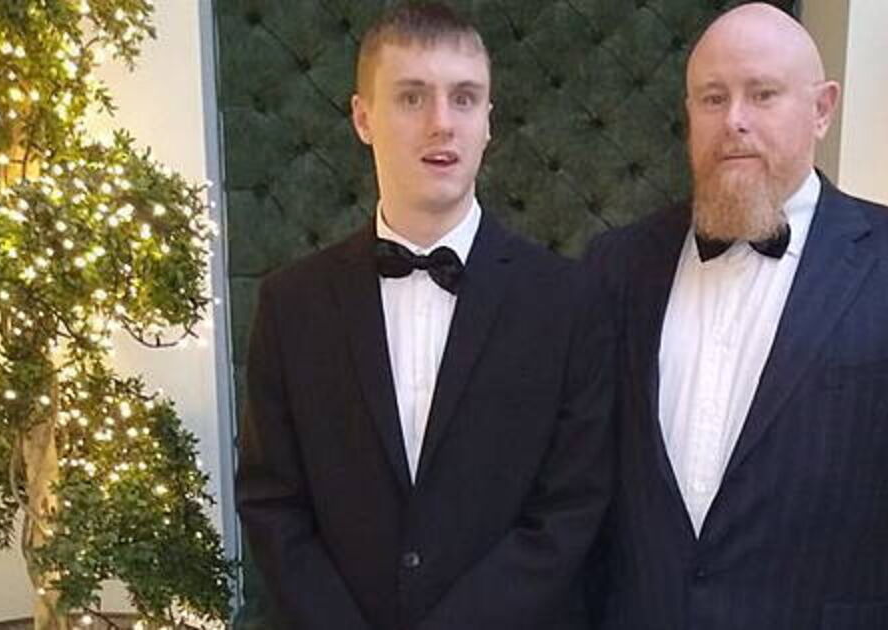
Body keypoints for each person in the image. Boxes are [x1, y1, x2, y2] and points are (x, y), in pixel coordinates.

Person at [585, 4, 888, 629]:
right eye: (713, 98)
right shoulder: (618, 263)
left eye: (762, 94)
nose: (734, 120)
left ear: (822, 108)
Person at [236, 3, 613, 628]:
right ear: (363, 117)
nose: (442, 123)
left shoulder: (570, 302)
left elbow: (570, 511)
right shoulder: (290, 304)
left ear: (488, 121)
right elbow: (273, 503)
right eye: (412, 98)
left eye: (464, 99)